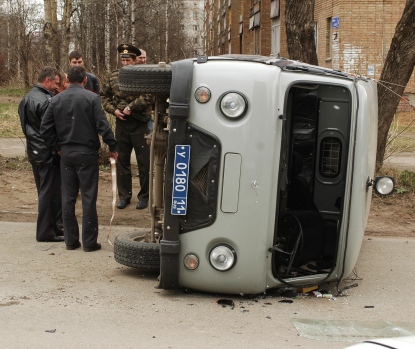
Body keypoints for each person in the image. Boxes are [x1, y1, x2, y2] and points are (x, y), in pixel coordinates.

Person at [40, 66, 118, 252]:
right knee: (89, 197)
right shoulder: (92, 98)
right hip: (87, 153)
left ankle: (71, 241)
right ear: (84, 80)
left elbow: (45, 129)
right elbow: (102, 125)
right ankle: (90, 242)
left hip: (66, 153)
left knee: (68, 197)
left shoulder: (56, 99)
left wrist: (57, 147)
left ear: (67, 79)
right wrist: (113, 147)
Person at [101, 44, 152, 210]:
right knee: (122, 160)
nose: (125, 63)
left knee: (144, 162)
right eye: (123, 60)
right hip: (122, 124)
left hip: (140, 123)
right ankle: (124, 196)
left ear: (135, 60)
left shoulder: (143, 76)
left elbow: (149, 96)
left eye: (128, 60)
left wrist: (131, 107)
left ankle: (144, 196)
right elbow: (104, 97)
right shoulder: (113, 76)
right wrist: (114, 111)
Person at [18, 66, 64, 242]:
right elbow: (50, 130)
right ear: (48, 80)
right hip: (47, 153)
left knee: (45, 191)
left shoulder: (26, 98)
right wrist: (57, 148)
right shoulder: (46, 100)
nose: (57, 87)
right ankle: (46, 232)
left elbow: (26, 126)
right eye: (56, 83)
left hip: (35, 151)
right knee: (49, 193)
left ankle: (52, 227)